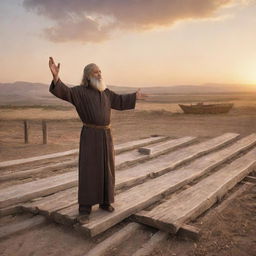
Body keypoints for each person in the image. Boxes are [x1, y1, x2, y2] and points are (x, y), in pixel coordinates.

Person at [48, 57, 147, 223]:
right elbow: (65, 92)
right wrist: (56, 78)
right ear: (88, 76)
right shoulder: (79, 92)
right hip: (90, 136)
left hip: (106, 136)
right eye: (96, 71)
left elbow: (120, 101)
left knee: (106, 168)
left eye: (100, 71)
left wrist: (134, 96)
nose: (99, 74)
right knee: (89, 169)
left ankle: (105, 201)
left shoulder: (106, 92)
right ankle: (85, 208)